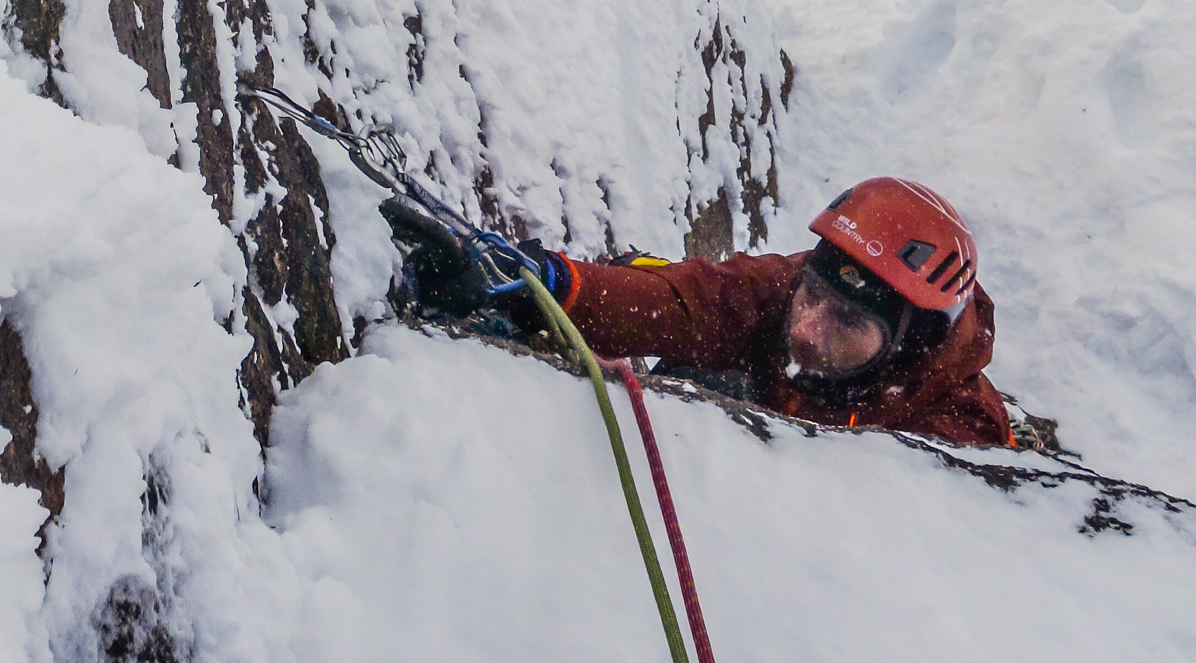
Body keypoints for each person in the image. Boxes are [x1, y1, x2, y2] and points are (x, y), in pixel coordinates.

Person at [384, 177, 1013, 447]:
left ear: (910, 342)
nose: (807, 328)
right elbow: (682, 304)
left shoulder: (958, 431)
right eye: (815, 296)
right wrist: (536, 283)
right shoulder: (786, 287)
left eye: (849, 323)